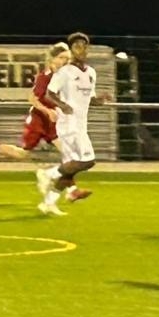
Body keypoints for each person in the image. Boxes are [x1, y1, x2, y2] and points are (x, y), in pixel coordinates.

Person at [0, 43, 72, 166]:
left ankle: (65, 175)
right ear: (52, 59)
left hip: (52, 121)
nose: (65, 61)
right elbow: (33, 99)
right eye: (61, 58)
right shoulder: (45, 77)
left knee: (69, 152)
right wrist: (48, 111)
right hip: (39, 120)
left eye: (67, 59)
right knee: (23, 154)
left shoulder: (62, 76)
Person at [36, 32, 105, 215]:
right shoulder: (65, 72)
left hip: (81, 124)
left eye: (83, 46)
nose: (80, 49)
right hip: (68, 125)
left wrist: (100, 100)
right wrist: (63, 105)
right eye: (76, 46)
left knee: (71, 169)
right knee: (87, 161)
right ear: (72, 50)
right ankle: (48, 174)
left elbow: (90, 98)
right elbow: (49, 94)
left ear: (88, 49)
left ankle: (48, 203)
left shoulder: (91, 73)